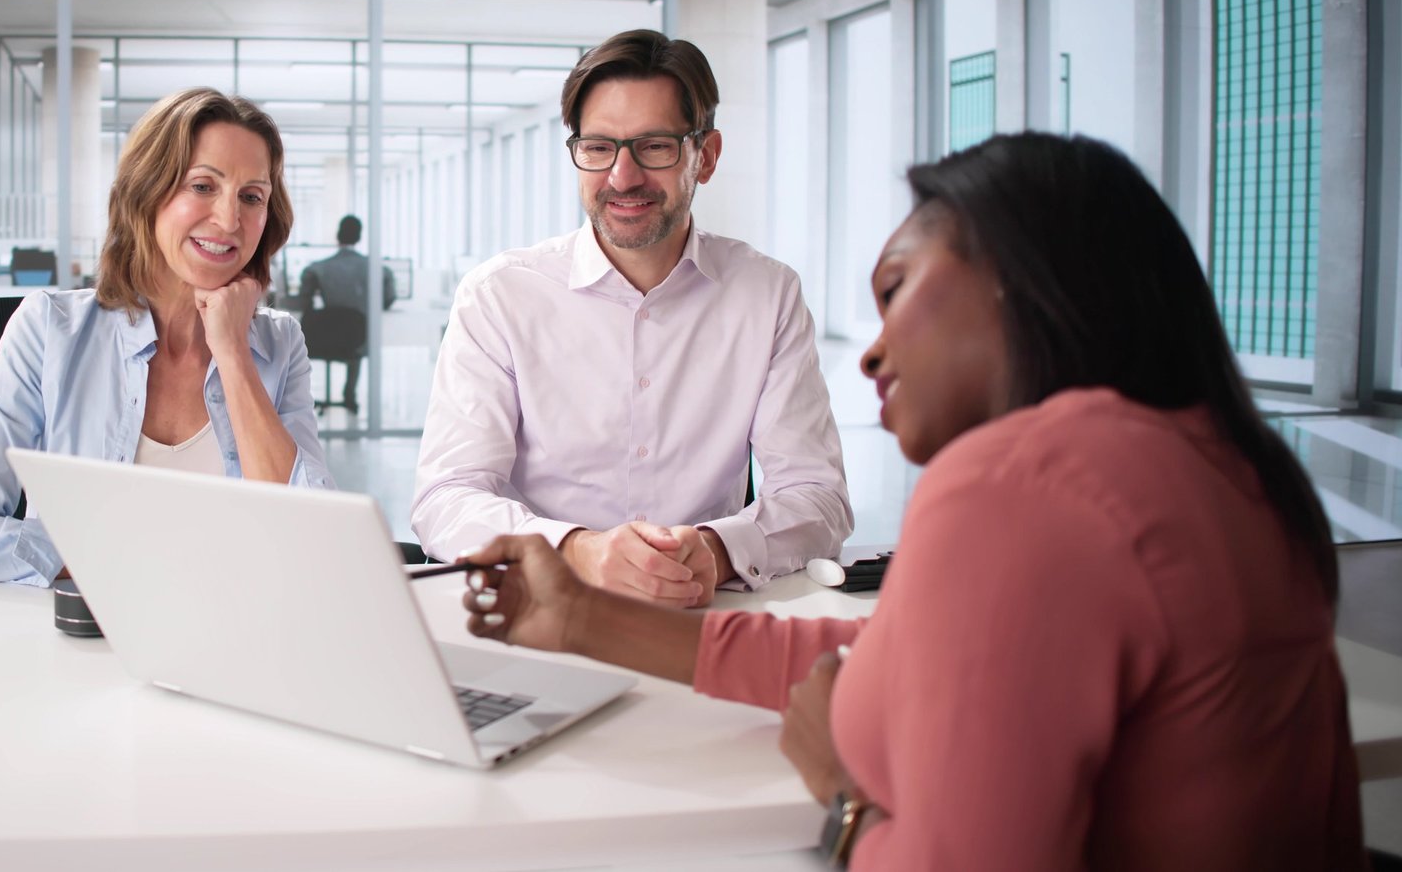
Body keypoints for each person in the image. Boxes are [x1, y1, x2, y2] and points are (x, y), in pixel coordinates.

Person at [455, 132, 1364, 869]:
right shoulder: (1222, 471)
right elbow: (891, 658)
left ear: (1015, 279)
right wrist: (584, 618)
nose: (872, 352)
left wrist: (843, 797)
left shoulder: (1021, 483)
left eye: (896, 291)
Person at [412, 28, 851, 605]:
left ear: (706, 156)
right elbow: (446, 498)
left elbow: (817, 495)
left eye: (655, 146)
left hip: (698, 613)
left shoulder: (766, 295)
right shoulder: (500, 295)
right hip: (539, 611)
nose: (622, 176)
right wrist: (578, 551)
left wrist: (717, 549)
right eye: (599, 148)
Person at [0, 87, 334, 586]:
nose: (229, 219)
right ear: (148, 192)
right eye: (202, 186)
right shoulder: (48, 330)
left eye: (251, 197)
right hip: (90, 625)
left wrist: (233, 352)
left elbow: (308, 539)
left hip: (236, 624)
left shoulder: (279, 344)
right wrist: (135, 566)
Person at [298, 214, 396, 411]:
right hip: (358, 339)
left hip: (324, 337)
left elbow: (304, 297)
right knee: (355, 337)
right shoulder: (378, 268)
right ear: (359, 237)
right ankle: (349, 394)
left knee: (339, 333)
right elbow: (388, 298)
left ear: (338, 236)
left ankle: (307, 396)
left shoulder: (318, 268)